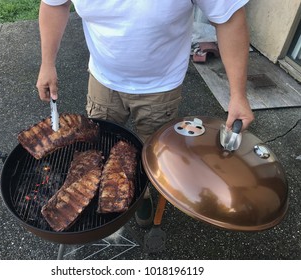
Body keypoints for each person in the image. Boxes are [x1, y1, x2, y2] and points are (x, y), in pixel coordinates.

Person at [36, 0, 255, 227]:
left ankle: (142, 192)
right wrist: (47, 64)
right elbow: (54, 4)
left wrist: (238, 94)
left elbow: (228, 18)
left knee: (151, 152)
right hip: (103, 77)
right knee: (99, 144)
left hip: (161, 86)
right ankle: (97, 189)